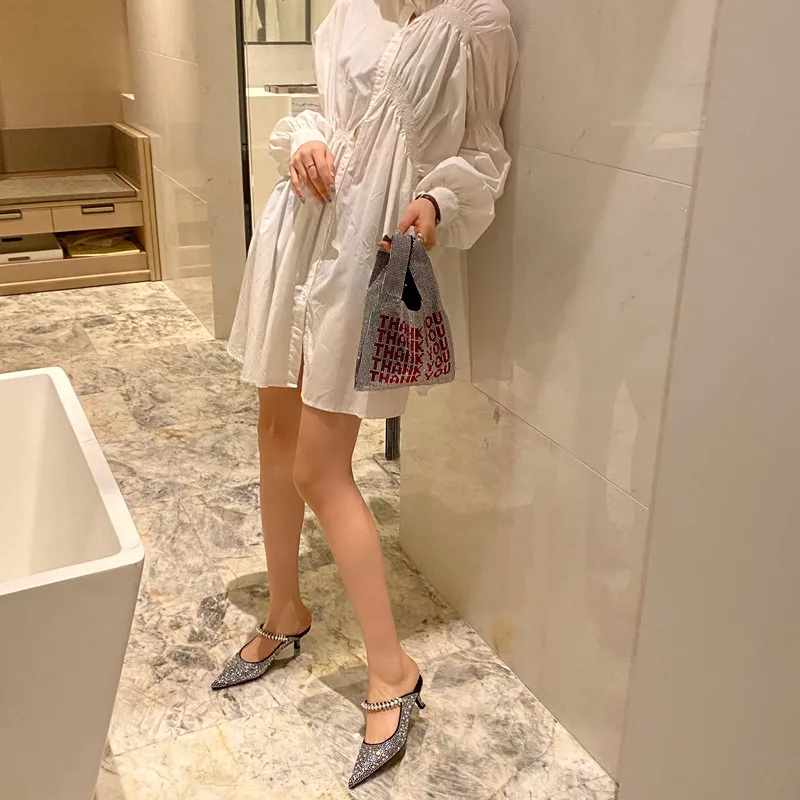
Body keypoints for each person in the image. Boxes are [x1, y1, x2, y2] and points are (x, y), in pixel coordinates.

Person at [214, 0, 517, 788]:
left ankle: (392, 669)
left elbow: (483, 152)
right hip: (300, 228)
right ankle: (285, 611)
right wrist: (304, 141)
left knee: (319, 469)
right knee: (274, 438)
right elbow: (325, 109)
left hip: (367, 252)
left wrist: (438, 203)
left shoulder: (476, 25)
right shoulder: (349, 9)